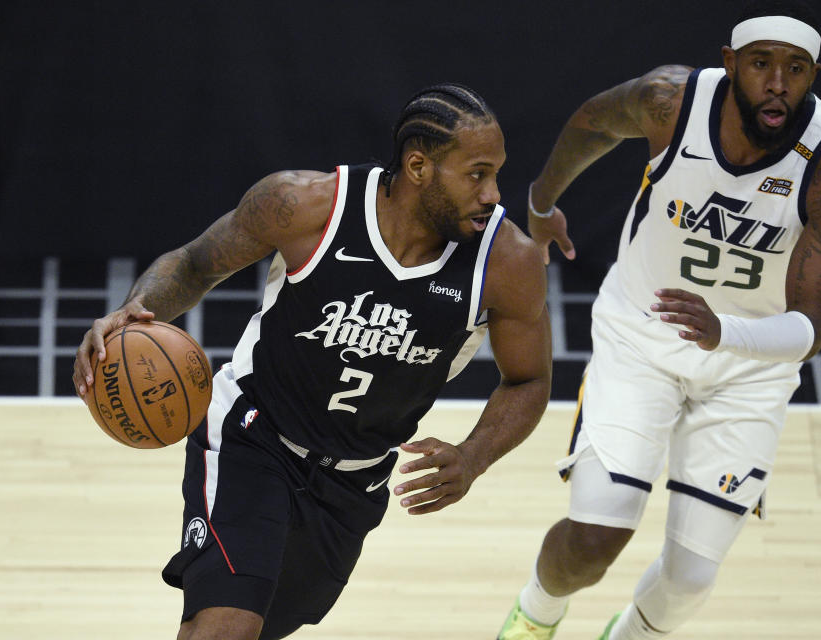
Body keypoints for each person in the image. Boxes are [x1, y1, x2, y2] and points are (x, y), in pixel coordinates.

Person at [72, 83, 552, 640]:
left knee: (268, 625)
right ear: (418, 165)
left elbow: (530, 379)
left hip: (354, 481)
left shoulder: (507, 261)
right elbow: (195, 263)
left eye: (497, 173)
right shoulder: (304, 205)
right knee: (224, 626)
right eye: (477, 173)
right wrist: (135, 310)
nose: (493, 193)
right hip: (254, 437)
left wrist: (473, 456)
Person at [497, 2, 821, 639]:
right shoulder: (671, 100)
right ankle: (535, 615)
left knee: (691, 578)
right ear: (729, 65)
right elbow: (592, 124)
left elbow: (811, 330)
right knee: (592, 541)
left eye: (795, 69)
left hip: (749, 367)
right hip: (641, 336)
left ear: (814, 76)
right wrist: (540, 199)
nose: (777, 82)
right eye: (761, 65)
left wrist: (727, 333)